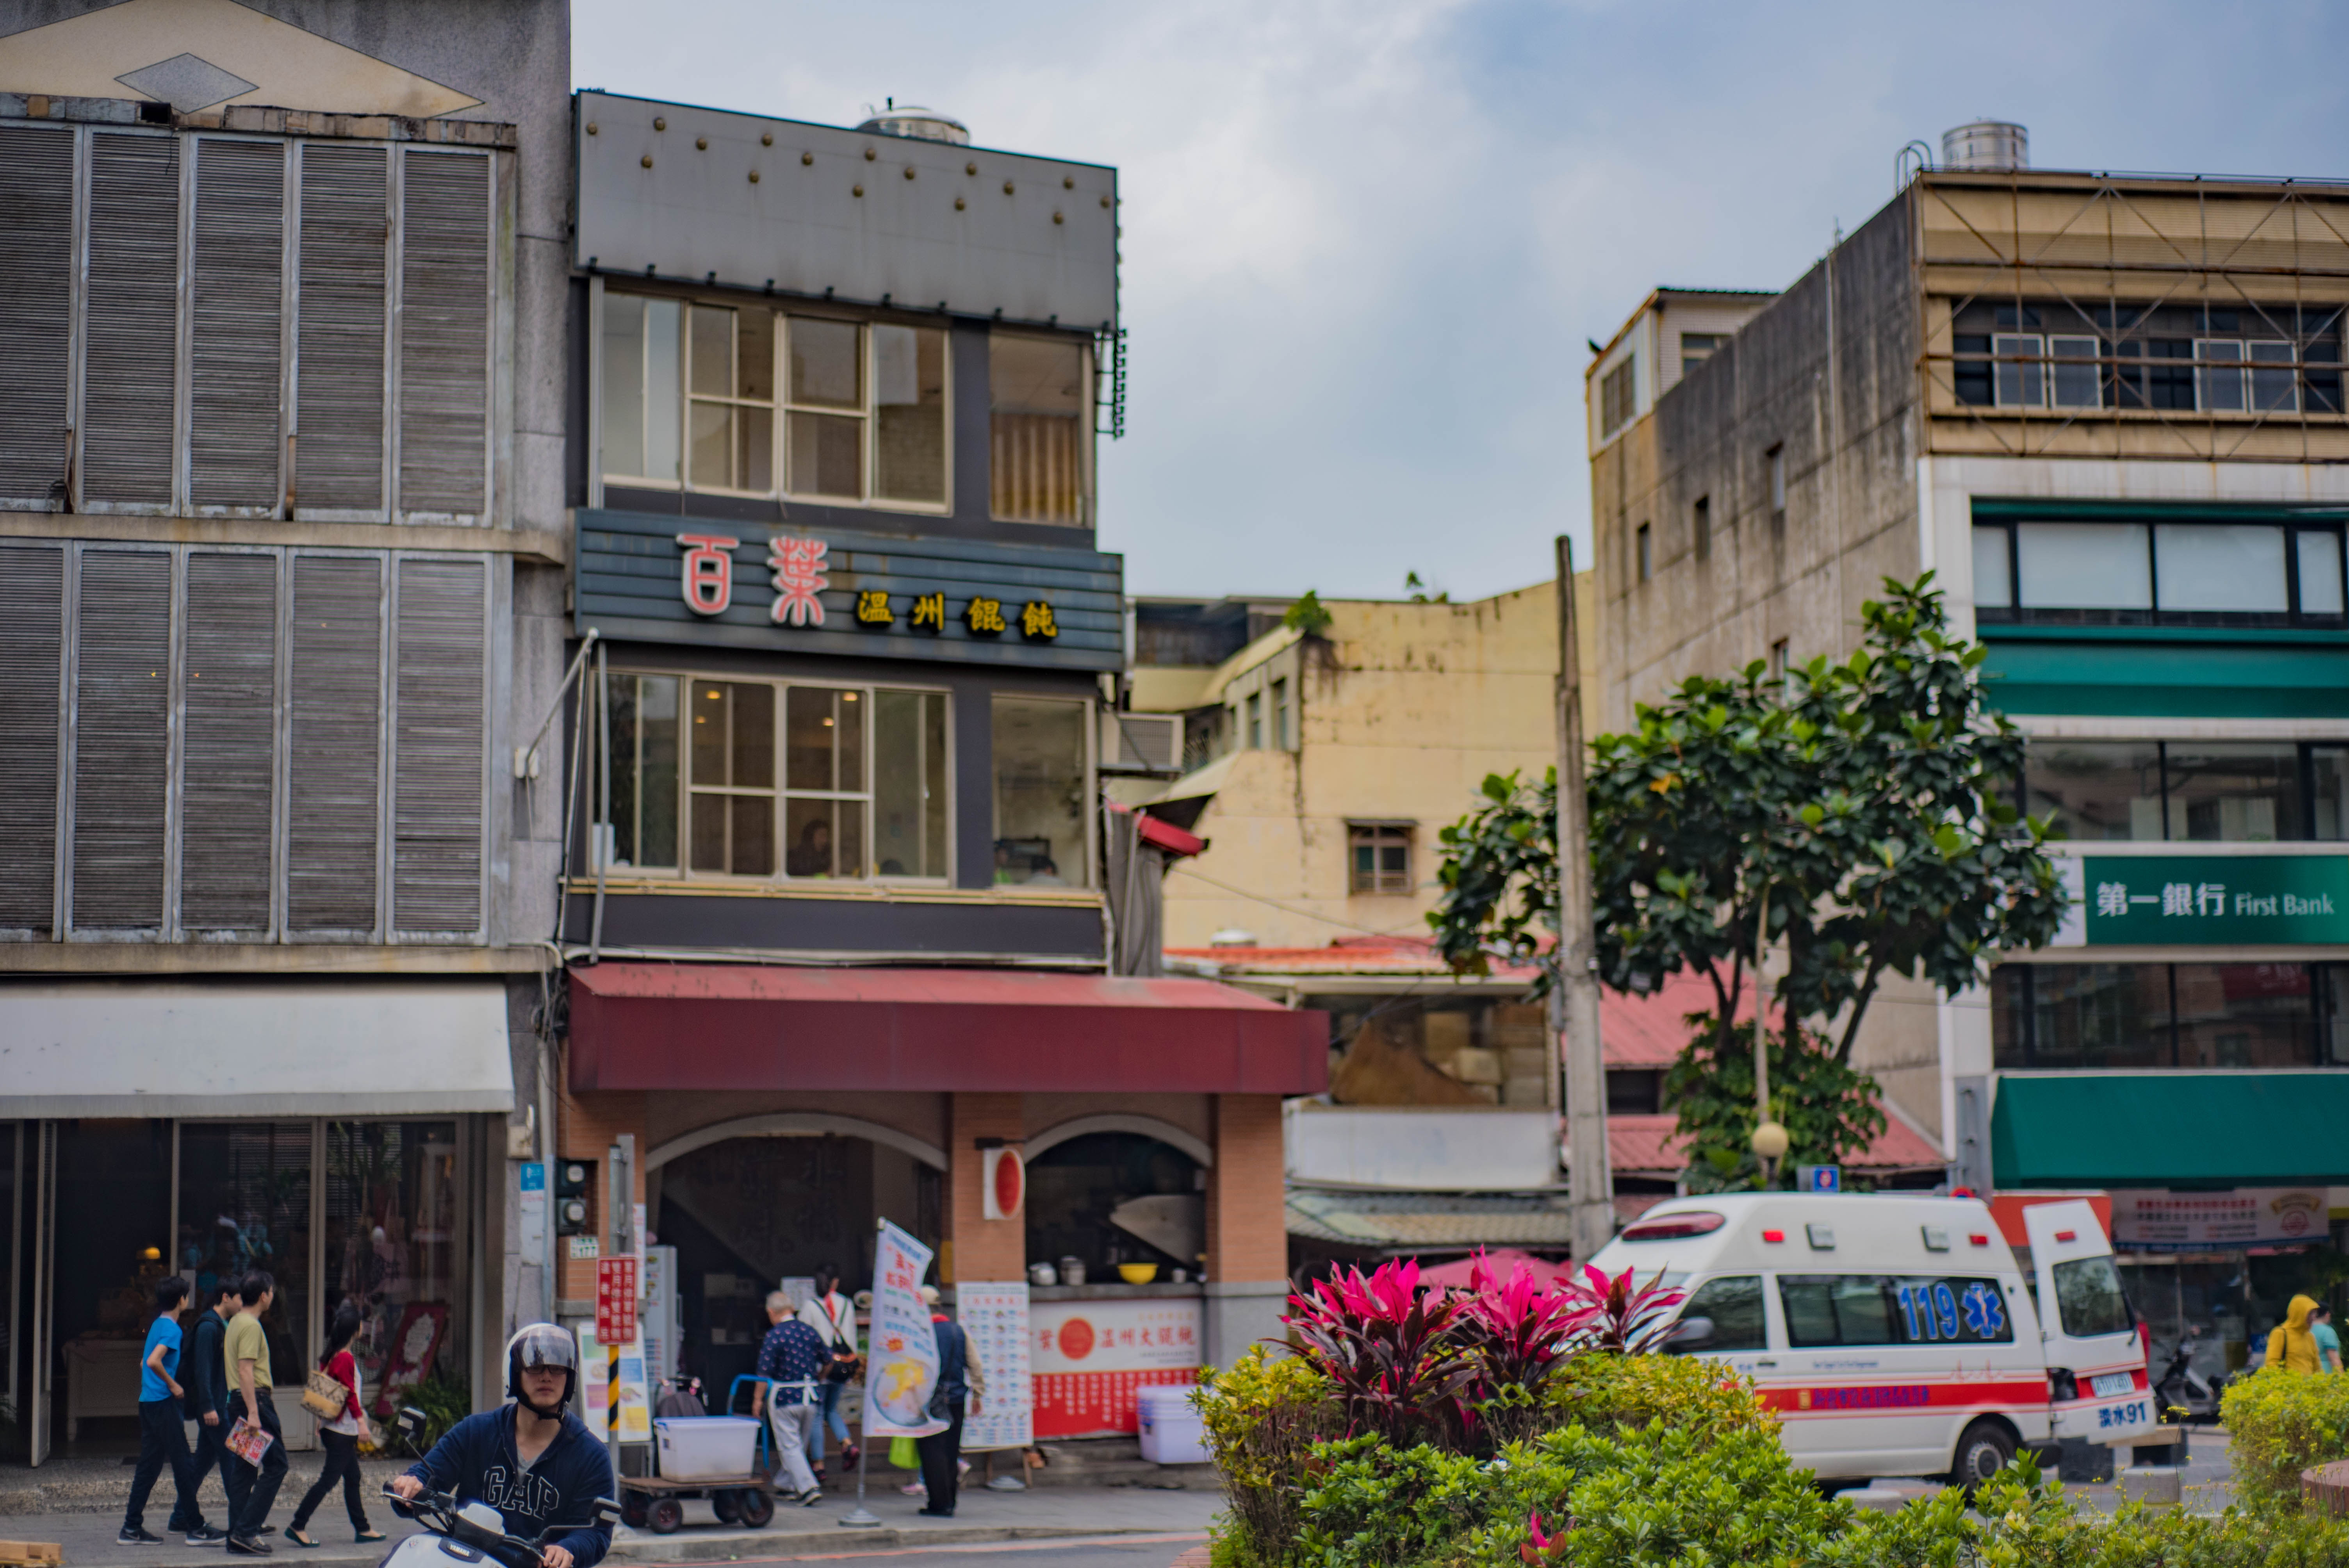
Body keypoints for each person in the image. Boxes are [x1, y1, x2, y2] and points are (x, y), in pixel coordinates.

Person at [392, 1325, 614, 1568]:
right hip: (465, 1557)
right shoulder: (477, 1431)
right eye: (535, 1367)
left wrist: (567, 1549)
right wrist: (411, 1486)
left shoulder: (591, 1455)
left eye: (558, 1368)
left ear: (569, 1378)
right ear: (515, 1374)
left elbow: (595, 1533)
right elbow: (428, 1474)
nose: (547, 1377)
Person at [122, 1276, 216, 1545]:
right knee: (184, 1466)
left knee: (149, 1468)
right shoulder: (173, 1330)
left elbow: (144, 1363)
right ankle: (196, 1528)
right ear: (181, 1301)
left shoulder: (156, 1325)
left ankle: (131, 1527)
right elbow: (153, 1361)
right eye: (187, 1295)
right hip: (164, 1404)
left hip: (148, 1403)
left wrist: (157, 1382)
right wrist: (173, 1385)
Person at [287, 1304, 383, 1548]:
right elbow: (349, 1393)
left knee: (353, 1477)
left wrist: (322, 1420)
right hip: (342, 1431)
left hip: (335, 1428)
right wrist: (361, 1423)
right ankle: (298, 1525)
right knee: (328, 1481)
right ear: (355, 1330)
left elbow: (329, 1389)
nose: (363, 1327)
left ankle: (363, 1529)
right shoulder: (345, 1358)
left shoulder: (333, 1355)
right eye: (360, 1323)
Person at [227, 1271, 291, 1555]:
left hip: (239, 1400)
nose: (273, 1296)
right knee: (277, 1466)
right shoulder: (251, 1326)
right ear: (264, 1296)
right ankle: (245, 1531)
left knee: (245, 1470)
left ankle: (237, 1533)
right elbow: (245, 1370)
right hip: (256, 1402)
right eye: (272, 1291)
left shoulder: (235, 1322)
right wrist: (254, 1412)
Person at [914, 1286, 984, 1519]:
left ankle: (939, 1503)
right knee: (952, 1451)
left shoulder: (921, 1333)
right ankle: (951, 1501)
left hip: (929, 1401)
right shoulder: (958, 1331)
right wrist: (978, 1393)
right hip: (956, 1399)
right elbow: (975, 1364)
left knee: (932, 1451)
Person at [184, 1280, 246, 1542]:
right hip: (214, 1408)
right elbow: (203, 1371)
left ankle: (180, 1515)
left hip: (220, 1405)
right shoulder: (209, 1327)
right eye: (240, 1299)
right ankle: (244, 1521)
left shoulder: (220, 1325)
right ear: (226, 1297)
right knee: (233, 1459)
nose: (242, 1304)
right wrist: (208, 1406)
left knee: (203, 1462)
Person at [751, 1290, 826, 1505]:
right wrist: (819, 1379)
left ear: (771, 1312)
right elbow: (829, 1359)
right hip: (810, 1395)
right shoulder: (810, 1331)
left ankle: (809, 1488)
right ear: (793, 1309)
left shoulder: (775, 1335)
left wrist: (757, 1400)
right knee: (798, 1446)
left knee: (790, 1447)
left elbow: (764, 1372)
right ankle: (787, 1485)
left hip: (785, 1397)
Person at [797, 1268, 860, 1476]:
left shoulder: (810, 1306)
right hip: (843, 1366)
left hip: (820, 1368)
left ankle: (819, 1464)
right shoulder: (847, 1304)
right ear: (835, 1282)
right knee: (832, 1410)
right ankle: (848, 1443)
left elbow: (803, 1336)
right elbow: (852, 1333)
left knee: (817, 1414)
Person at [2267, 1294, 2323, 1375]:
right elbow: (2272, 1364)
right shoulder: (2280, 1334)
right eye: (2310, 1313)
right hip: (2289, 1383)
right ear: (2299, 1313)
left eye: (2315, 1313)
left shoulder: (2310, 1337)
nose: (2314, 1317)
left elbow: (2317, 1368)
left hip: (2309, 1383)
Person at [2313, 1303, 2343, 1374]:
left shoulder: (2306, 1330)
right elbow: (2334, 1358)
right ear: (2327, 1314)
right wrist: (2342, 1376)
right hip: (2326, 1375)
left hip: (2309, 1373)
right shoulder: (2328, 1331)